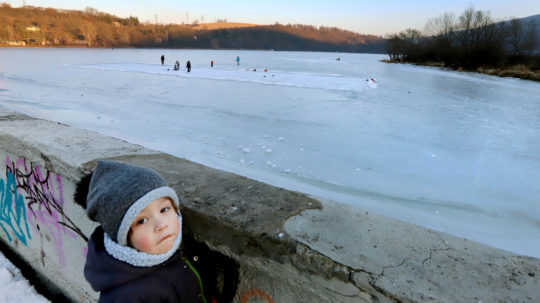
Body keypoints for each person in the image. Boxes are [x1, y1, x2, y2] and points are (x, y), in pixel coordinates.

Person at [74, 161, 208, 303]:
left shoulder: (179, 248)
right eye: (142, 221)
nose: (161, 225)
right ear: (124, 237)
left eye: (164, 209)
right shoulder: (127, 296)